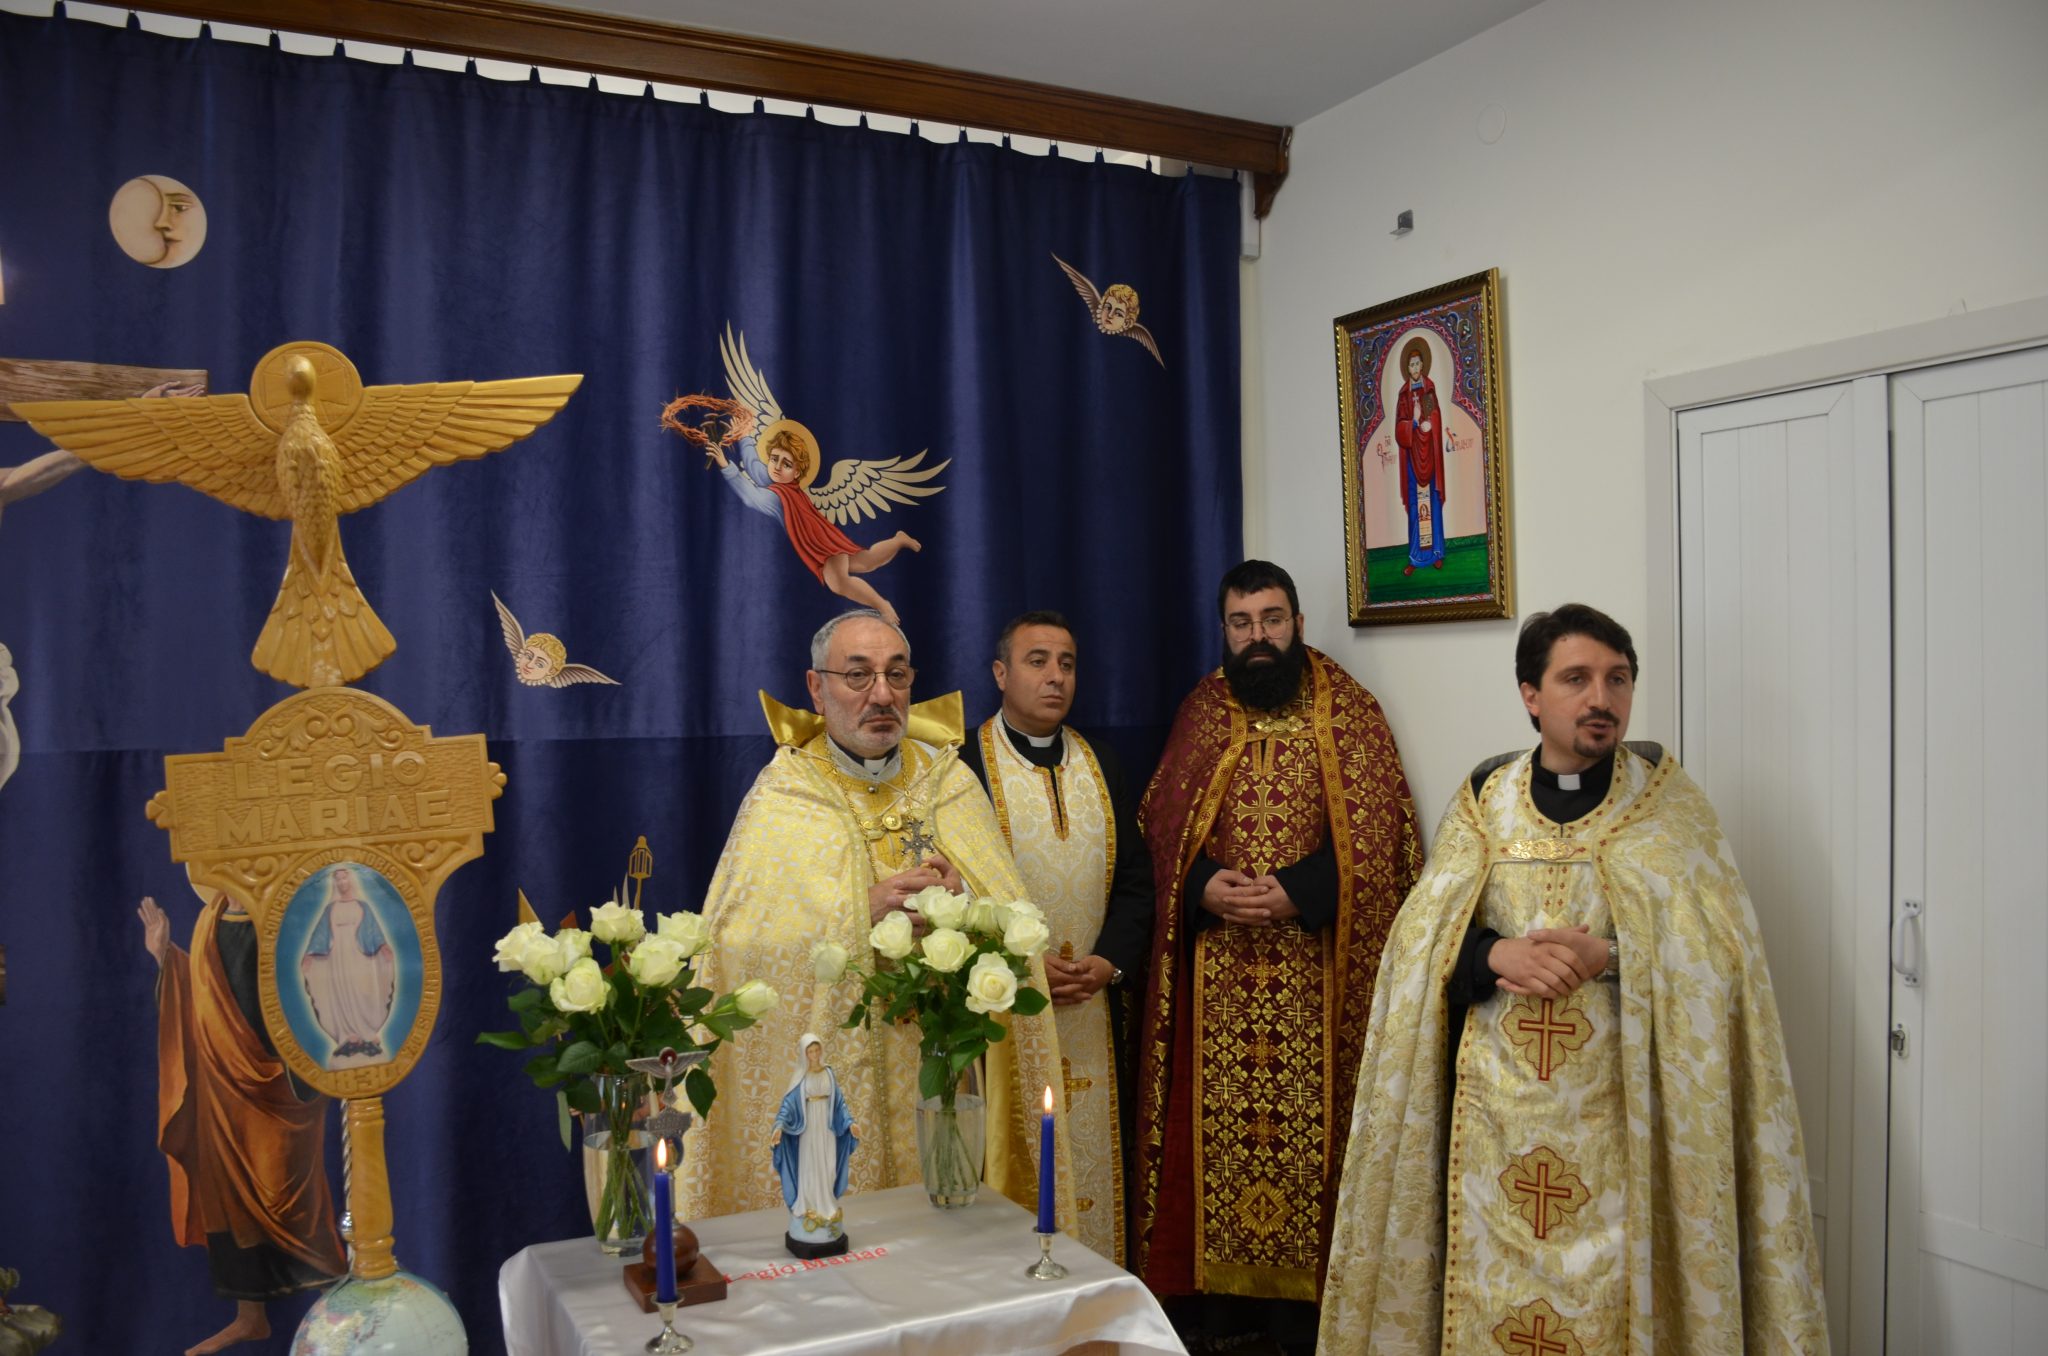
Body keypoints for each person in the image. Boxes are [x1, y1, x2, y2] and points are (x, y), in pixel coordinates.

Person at [1318, 604, 1827, 1353]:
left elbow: (1719, 959)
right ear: (1531, 694)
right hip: (1493, 1120)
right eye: (1577, 679)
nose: (1602, 698)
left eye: (1618, 679)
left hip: (1621, 1115)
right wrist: (1493, 955)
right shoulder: (1485, 803)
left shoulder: (1666, 807)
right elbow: (1418, 942)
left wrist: (1610, 957)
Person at [681, 609, 1075, 1226]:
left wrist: (965, 903)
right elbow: (736, 944)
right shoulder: (786, 790)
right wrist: (855, 911)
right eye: (858, 675)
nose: (882, 695)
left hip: (940, 1061)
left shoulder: (949, 781)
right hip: (836, 1073)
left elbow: (1006, 910)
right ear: (817, 688)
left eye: (896, 674)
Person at [1131, 560, 1421, 1310]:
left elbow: (1380, 835)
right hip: (1217, 976)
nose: (1257, 636)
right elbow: (1161, 824)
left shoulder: (1349, 710)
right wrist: (1201, 882)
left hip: (1315, 974)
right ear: (1224, 630)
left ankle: (1308, 1317)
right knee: (1215, 1142)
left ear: (1296, 622)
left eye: (1271, 619)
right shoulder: (1203, 709)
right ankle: (1215, 1309)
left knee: (1310, 1142)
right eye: (1242, 622)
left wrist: (1302, 891)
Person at [961, 610, 1154, 1266]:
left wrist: (1110, 963)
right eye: (1037, 661)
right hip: (1005, 1013)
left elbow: (1136, 881)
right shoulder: (963, 767)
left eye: (1067, 664)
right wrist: (1020, 965)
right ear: (1000, 673)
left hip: (1093, 1009)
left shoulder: (1101, 764)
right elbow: (952, 892)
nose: (1055, 677)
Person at [141, 878, 346, 1356]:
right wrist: (164, 956)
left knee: (289, 1195)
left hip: (278, 1084)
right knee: (229, 1199)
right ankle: (249, 1317)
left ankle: (339, 1307)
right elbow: (204, 994)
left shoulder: (280, 916)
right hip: (222, 1090)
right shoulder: (208, 918)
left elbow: (310, 984)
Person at [704, 424, 921, 624]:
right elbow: (754, 467)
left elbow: (752, 497)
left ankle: (882, 605)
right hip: (824, 536)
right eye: (774, 459)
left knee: (839, 582)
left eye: (786, 464)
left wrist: (725, 465)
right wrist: (745, 438)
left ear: (797, 472)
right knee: (865, 562)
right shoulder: (781, 484)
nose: (777, 466)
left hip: (821, 544)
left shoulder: (777, 496)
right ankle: (898, 540)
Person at [296, 865, 396, 1068]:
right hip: (337, 958)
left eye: (344, 878)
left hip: (359, 956)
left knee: (362, 990)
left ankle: (367, 1031)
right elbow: (320, 935)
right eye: (338, 879)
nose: (342, 882)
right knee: (341, 993)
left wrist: (383, 946)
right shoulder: (330, 909)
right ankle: (347, 1034)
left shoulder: (363, 906)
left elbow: (374, 931)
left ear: (351, 880)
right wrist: (310, 954)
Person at [770, 1034, 859, 1255]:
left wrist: (850, 1123)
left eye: (817, 1050)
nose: (814, 1054)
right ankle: (809, 1205)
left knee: (828, 1166)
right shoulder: (800, 1077)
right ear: (804, 1054)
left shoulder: (828, 1073)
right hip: (809, 1129)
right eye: (810, 1051)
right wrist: (779, 1126)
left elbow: (839, 1103)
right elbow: (787, 1106)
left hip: (827, 1129)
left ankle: (826, 1204)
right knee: (810, 1167)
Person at [1392, 338, 1446, 575]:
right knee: (1416, 507)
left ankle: (1437, 553)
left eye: (1417, 364)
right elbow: (1399, 429)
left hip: (1429, 456)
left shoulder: (1428, 389)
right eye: (1411, 365)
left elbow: (1435, 415)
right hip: (1412, 459)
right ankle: (1415, 558)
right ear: (1407, 368)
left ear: (1423, 365)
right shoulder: (1404, 395)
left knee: (1432, 502)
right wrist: (1413, 422)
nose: (1414, 368)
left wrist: (1430, 425)